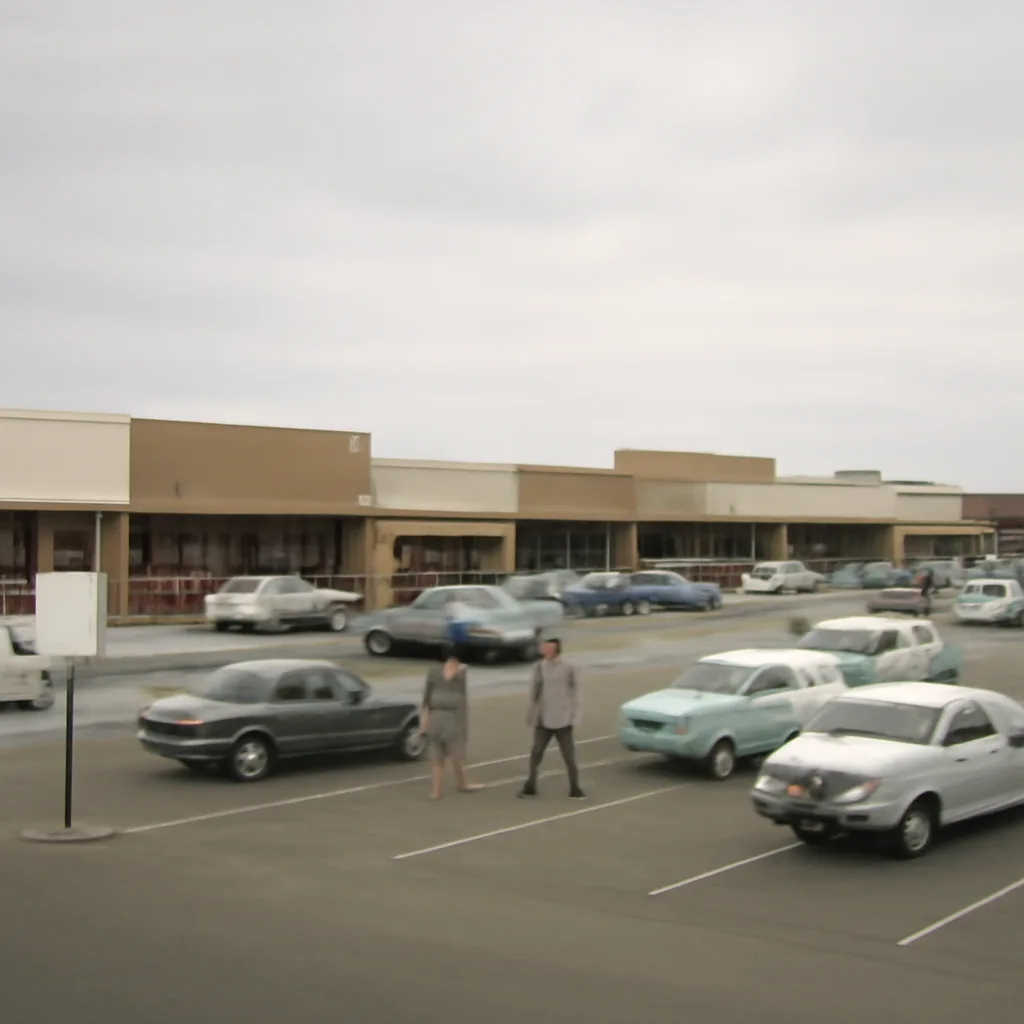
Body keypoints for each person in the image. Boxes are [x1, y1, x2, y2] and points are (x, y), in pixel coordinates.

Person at [518, 637, 585, 800]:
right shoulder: (539, 667)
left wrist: (575, 715)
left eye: (548, 647)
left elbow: (577, 691)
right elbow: (534, 690)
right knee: (536, 753)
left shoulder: (569, 667)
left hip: (563, 719)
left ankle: (575, 788)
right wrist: (533, 713)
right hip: (543, 719)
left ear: (556, 649)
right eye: (544, 647)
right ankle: (530, 786)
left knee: (569, 756)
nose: (545, 650)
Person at [420, 644, 484, 800]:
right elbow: (456, 677)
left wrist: (424, 720)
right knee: (456, 755)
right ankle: (463, 784)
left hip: (435, 717)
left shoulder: (433, 672)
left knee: (438, 758)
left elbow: (426, 698)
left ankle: (436, 791)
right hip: (452, 719)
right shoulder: (461, 672)